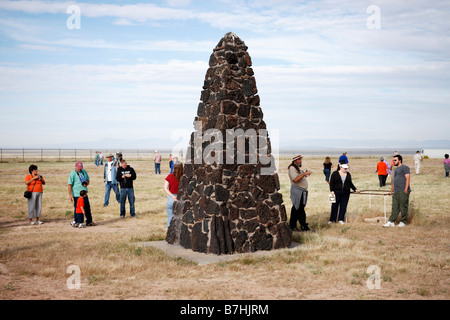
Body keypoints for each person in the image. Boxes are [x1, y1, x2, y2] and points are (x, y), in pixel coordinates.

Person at [383, 154, 411, 228]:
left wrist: (406, 189)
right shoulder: (395, 170)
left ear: (400, 160)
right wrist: (391, 191)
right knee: (395, 207)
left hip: (403, 190)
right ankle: (391, 221)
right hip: (396, 191)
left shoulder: (405, 168)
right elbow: (393, 181)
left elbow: (408, 178)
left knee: (403, 206)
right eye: (393, 160)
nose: (393, 161)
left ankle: (403, 221)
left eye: (395, 160)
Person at [68, 161, 96, 226]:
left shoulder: (84, 172)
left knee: (87, 208)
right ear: (75, 167)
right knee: (78, 208)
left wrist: (87, 183)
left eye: (81, 168)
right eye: (78, 168)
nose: (80, 169)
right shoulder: (72, 174)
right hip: (77, 194)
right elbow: (69, 185)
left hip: (84, 194)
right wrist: (70, 194)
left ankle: (89, 221)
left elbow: (88, 180)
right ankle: (77, 221)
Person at [288, 155, 311, 231]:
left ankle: (292, 225)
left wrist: (305, 175)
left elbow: (299, 177)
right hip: (298, 191)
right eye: (299, 159)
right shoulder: (292, 168)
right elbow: (295, 179)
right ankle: (303, 226)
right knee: (300, 209)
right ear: (295, 161)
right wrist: (304, 174)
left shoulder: (297, 168)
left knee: (296, 208)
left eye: (301, 159)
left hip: (301, 191)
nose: (301, 161)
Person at [164, 163, 183, 229]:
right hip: (180, 198)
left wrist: (172, 196)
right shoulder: (183, 177)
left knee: (170, 217)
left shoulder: (170, 176)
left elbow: (165, 188)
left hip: (171, 199)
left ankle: (169, 234)